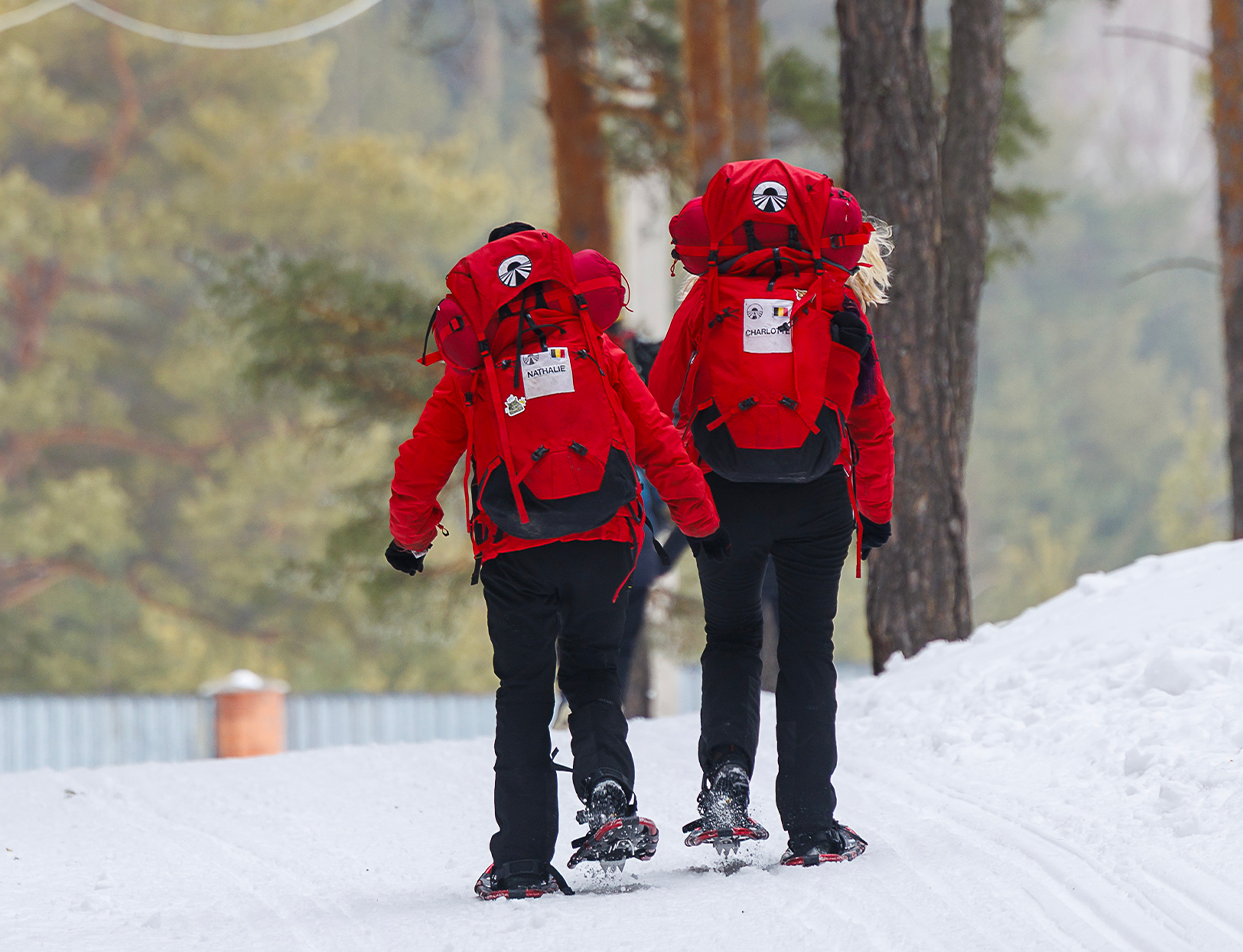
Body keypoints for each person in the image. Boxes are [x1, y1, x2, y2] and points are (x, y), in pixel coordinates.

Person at [384, 224, 726, 900]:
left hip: (515, 548)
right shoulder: (597, 350)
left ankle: (520, 864)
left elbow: (422, 462)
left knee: (523, 693)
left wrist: (411, 539)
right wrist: (700, 521)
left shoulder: (474, 367)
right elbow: (657, 440)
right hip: (605, 538)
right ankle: (608, 799)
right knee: (594, 674)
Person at [645, 159, 896, 868]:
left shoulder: (708, 297)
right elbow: (871, 418)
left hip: (724, 497)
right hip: (818, 499)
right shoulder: (834, 299)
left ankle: (726, 789)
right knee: (809, 649)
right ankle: (812, 826)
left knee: (730, 639)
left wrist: (682, 494)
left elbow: (657, 403)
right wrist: (874, 511)